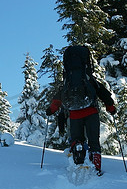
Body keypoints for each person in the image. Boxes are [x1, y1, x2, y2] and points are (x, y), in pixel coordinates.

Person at [46, 45, 116, 173]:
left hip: (74, 113)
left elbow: (58, 98)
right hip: (91, 111)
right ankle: (96, 164)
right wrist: (110, 107)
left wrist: (52, 109)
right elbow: (102, 93)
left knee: (76, 138)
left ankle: (78, 158)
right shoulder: (89, 78)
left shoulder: (68, 81)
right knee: (94, 141)